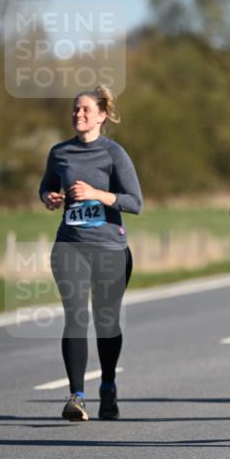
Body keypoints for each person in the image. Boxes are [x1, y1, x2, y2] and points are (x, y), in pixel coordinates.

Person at [39, 86, 143, 421]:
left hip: (110, 248)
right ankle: (76, 397)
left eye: (85, 110)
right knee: (75, 315)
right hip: (70, 244)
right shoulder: (59, 153)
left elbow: (135, 202)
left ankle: (108, 386)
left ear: (101, 115)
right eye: (75, 109)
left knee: (106, 320)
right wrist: (49, 198)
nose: (78, 115)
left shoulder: (114, 153)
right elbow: (47, 186)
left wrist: (97, 193)